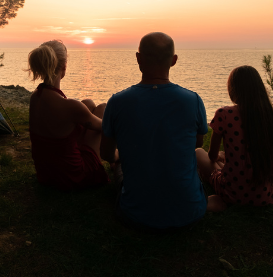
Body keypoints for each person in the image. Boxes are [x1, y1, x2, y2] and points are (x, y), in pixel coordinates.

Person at [100, 32, 208, 231]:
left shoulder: (117, 102)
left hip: (135, 216)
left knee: (120, 166)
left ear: (138, 58)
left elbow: (106, 154)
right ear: (174, 61)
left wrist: (118, 156)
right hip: (190, 213)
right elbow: (197, 144)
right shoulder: (193, 100)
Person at [27, 40, 116, 191]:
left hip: (46, 174)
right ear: (64, 67)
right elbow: (106, 127)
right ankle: (116, 157)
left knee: (88, 103)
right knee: (102, 109)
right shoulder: (69, 106)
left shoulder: (35, 97)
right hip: (71, 177)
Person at [196, 65, 273, 211]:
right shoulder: (267, 115)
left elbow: (212, 156)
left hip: (234, 193)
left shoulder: (224, 114)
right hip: (267, 195)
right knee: (226, 162)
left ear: (233, 90)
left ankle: (222, 195)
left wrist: (219, 156)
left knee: (199, 153)